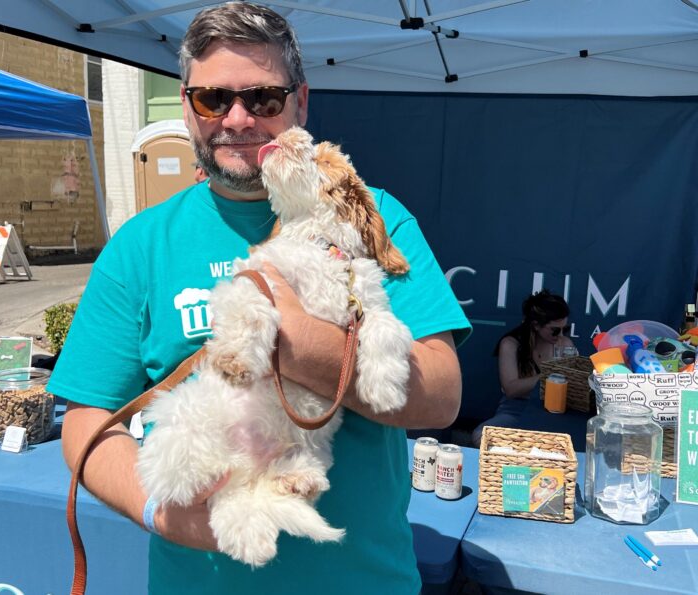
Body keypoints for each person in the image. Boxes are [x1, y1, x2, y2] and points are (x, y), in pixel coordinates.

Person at [49, 3, 471, 594]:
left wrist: (292, 341)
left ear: (301, 102)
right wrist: (162, 512)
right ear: (187, 106)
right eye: (213, 99)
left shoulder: (368, 214)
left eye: (264, 99)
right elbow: (87, 418)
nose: (238, 118)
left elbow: (442, 394)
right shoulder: (141, 245)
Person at [472, 290, 574, 447]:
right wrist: (550, 375)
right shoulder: (511, 344)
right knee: (481, 436)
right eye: (555, 330)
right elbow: (511, 389)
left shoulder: (565, 345)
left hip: (552, 411)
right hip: (516, 410)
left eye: (565, 329)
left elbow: (574, 384)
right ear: (536, 325)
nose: (560, 335)